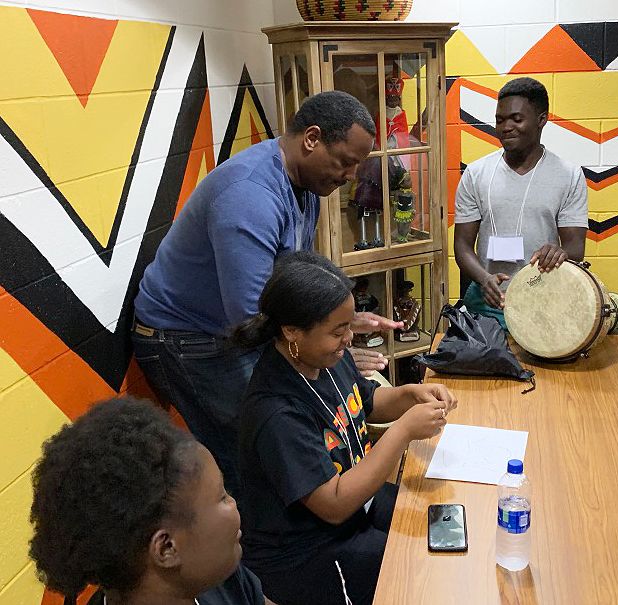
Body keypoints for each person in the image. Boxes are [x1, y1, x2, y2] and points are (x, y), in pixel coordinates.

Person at [132, 91, 401, 497]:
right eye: (346, 161)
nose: (350, 176)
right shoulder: (250, 196)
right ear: (312, 138)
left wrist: (340, 324)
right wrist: (336, 351)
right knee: (254, 458)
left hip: (233, 327)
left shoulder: (304, 183)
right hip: (187, 339)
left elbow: (294, 279)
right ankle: (260, 555)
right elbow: (253, 319)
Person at [233, 251, 457, 605]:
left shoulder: (322, 357)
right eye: (338, 331)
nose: (349, 339)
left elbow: (365, 401)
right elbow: (333, 504)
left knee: (438, 522)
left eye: (350, 325)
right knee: (412, 569)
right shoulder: (276, 412)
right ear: (292, 330)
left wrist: (410, 395)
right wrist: (403, 431)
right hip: (308, 549)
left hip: (355, 507)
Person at [29, 397, 276, 605]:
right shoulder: (207, 569)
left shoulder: (216, 578)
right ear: (166, 548)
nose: (233, 503)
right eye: (222, 497)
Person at [453, 76, 588, 329]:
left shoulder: (568, 175)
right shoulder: (476, 173)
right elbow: (461, 244)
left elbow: (575, 248)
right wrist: (484, 279)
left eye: (516, 119)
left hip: (544, 301)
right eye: (500, 120)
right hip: (487, 303)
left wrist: (560, 253)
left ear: (541, 120)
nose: (506, 127)